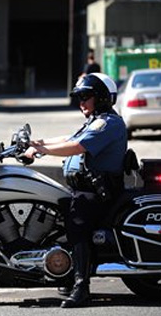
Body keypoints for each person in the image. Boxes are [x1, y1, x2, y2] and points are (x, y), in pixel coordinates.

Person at [24, 73, 127, 308]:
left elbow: (77, 146)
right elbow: (69, 138)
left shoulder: (108, 123)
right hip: (84, 189)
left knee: (77, 224)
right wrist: (37, 144)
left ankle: (81, 286)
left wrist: (44, 151)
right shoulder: (95, 121)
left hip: (97, 193)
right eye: (79, 97)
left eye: (85, 96)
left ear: (101, 98)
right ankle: (67, 271)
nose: (81, 102)